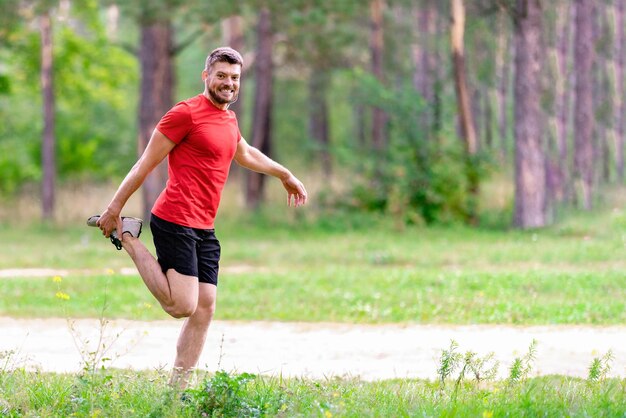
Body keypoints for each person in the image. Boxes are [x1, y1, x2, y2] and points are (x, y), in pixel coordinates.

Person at [90, 47, 307, 388]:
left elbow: (245, 153)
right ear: (206, 76)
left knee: (204, 309)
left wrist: (284, 174)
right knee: (182, 306)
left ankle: (177, 392)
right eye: (221, 76)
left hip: (205, 226)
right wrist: (114, 208)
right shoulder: (185, 114)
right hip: (175, 218)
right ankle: (128, 237)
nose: (228, 83)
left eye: (235, 78)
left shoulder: (228, 118)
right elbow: (144, 163)